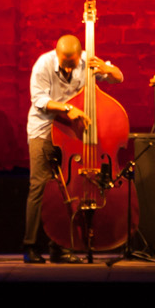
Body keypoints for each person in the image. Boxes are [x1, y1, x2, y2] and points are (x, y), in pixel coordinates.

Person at [23, 34, 124, 264]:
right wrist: (68, 108)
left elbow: (118, 78)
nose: (68, 70)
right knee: (39, 186)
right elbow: (39, 100)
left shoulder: (87, 61)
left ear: (79, 57)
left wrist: (109, 70)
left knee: (66, 190)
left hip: (70, 134)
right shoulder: (43, 64)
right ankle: (30, 246)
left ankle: (59, 248)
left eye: (72, 65)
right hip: (43, 131)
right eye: (64, 64)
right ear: (57, 54)